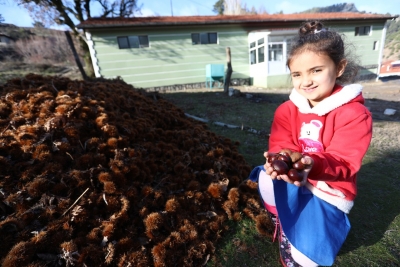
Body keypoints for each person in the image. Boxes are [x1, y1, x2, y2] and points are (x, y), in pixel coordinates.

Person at [248, 21, 373, 267]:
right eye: (297, 74)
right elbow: (281, 143)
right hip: (294, 180)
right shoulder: (287, 109)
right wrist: (278, 159)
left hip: (328, 189)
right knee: (265, 176)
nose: (306, 81)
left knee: (307, 261)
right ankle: (282, 220)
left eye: (316, 70)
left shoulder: (355, 114)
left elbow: (344, 162)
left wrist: (310, 164)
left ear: (339, 67)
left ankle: (312, 225)